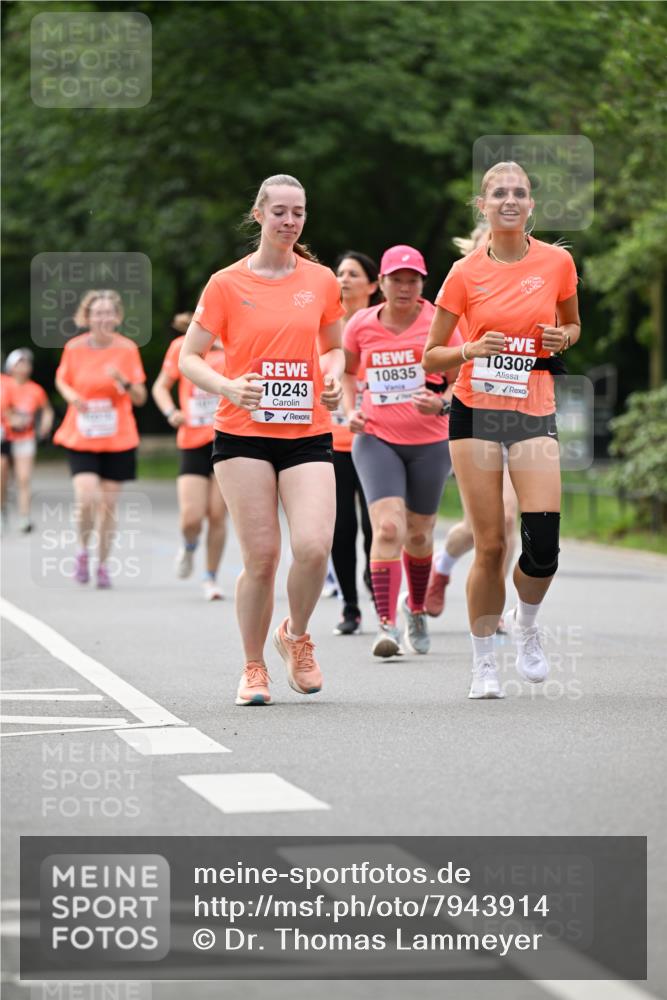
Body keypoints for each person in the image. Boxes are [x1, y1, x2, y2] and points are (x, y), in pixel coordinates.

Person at [179, 173, 345, 706]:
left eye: (298, 212)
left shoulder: (321, 281)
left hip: (307, 429)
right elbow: (189, 358)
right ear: (259, 215)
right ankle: (253, 668)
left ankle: (295, 635)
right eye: (279, 211)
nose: (290, 221)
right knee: (263, 558)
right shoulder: (226, 283)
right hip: (243, 432)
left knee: (315, 545)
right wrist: (228, 384)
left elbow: (333, 347)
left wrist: (334, 372)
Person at [423, 160, 580, 699]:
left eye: (519, 193)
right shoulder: (465, 273)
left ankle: (527, 625)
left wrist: (564, 338)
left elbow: (573, 325)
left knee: (543, 547)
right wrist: (470, 348)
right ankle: (483, 661)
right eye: (498, 194)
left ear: (531, 205)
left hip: (533, 408)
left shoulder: (557, 262)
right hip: (476, 411)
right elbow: (433, 354)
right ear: (482, 206)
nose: (509, 201)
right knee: (490, 544)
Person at [344, 245, 462, 658]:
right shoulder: (361, 324)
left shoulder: (439, 323)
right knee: (388, 529)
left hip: (430, 441)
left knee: (418, 533)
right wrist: (349, 412)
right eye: (397, 280)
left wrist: (443, 401)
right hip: (376, 438)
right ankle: (386, 624)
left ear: (423, 283)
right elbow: (345, 371)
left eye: (413, 280)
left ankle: (415, 609)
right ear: (383, 284)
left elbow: (460, 378)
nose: (405, 287)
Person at [424, 225, 519, 630]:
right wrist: (442, 402)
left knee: (510, 518)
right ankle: (443, 565)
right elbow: (434, 364)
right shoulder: (458, 298)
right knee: (480, 526)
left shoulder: (524, 299)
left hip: (519, 417)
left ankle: (493, 605)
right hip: (470, 418)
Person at [53, 290, 147, 588]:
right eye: (98, 313)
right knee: (86, 498)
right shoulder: (74, 348)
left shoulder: (127, 349)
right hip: (81, 435)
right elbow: (61, 380)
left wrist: (124, 381)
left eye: (109, 313)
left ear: (117, 317)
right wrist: (72, 397)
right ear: (87, 317)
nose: (104, 318)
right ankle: (82, 551)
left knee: (107, 506)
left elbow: (140, 397)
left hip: (117, 437)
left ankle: (103, 564)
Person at [152, 312, 228, 601]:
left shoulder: (237, 344)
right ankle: (189, 544)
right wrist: (172, 412)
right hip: (192, 440)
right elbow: (160, 386)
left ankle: (210, 577)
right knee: (191, 517)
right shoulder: (182, 346)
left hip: (227, 439)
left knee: (217, 514)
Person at [330, 251, 379, 635]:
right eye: (340, 272)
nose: (344, 279)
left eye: (353, 273)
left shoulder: (381, 326)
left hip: (375, 438)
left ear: (373, 284)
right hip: (329, 441)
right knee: (341, 527)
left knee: (376, 526)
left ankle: (375, 581)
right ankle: (350, 605)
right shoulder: (322, 326)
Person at [4, 348, 54, 533]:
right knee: (2, 477)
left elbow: (47, 409)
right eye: (20, 363)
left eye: (27, 363)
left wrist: (45, 425)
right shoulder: (4, 385)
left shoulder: (35, 389)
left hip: (25, 437)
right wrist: (11, 419)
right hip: (4, 438)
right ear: (11, 366)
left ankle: (24, 518)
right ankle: (2, 510)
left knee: (23, 479)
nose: (24, 367)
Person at [0, 369, 17, 531]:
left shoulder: (7, 382)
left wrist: (13, 417)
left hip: (3, 433)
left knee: (2, 469)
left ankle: (1, 507)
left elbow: (16, 406)